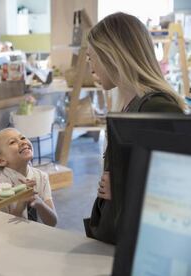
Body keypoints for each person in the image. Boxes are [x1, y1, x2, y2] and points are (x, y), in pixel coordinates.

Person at [84, 12, 186, 244]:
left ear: (113, 55)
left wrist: (124, 189)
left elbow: (177, 192)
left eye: (93, 58)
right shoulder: (131, 104)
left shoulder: (158, 108)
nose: (91, 67)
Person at [0, 128, 58, 227]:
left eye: (22, 137)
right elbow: (3, 228)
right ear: (1, 161)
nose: (22, 142)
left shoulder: (42, 177)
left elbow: (52, 222)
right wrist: (21, 204)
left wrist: (40, 204)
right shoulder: (0, 187)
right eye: (12, 142)